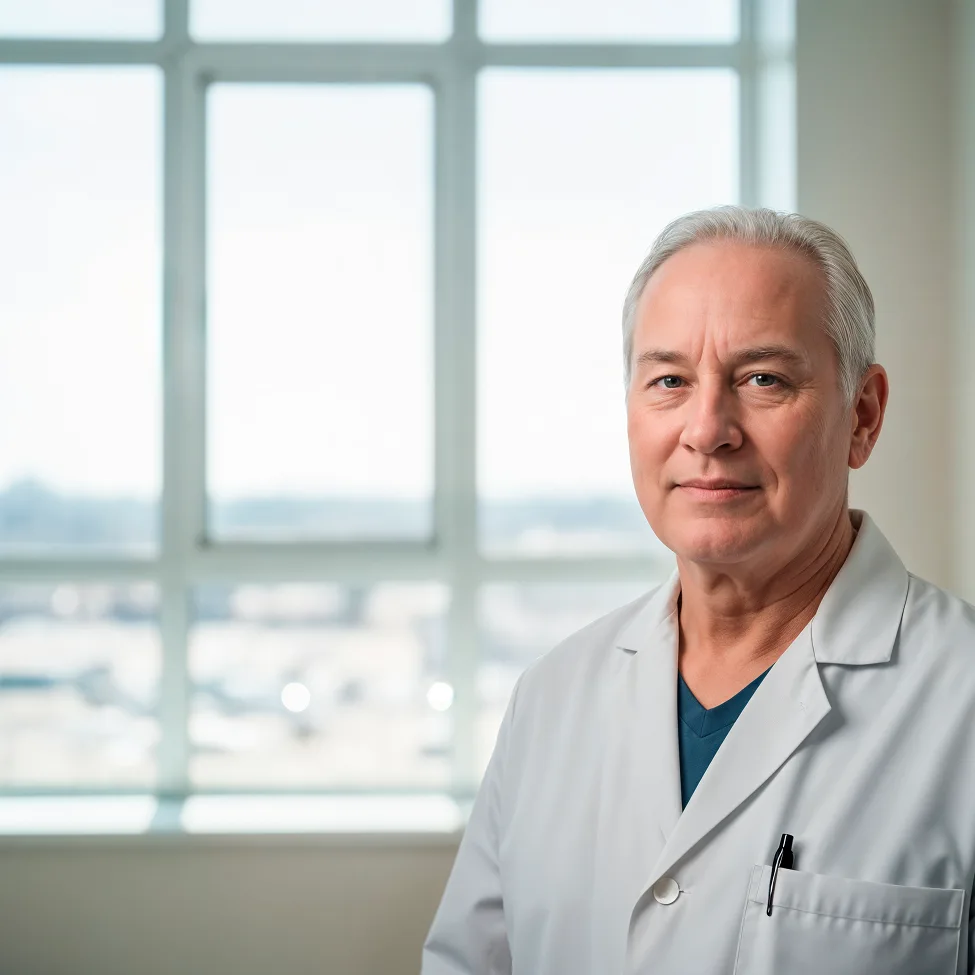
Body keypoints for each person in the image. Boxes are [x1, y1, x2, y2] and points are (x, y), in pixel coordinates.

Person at [420, 205, 975, 974]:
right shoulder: (551, 697)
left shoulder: (960, 697)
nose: (707, 427)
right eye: (669, 380)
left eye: (762, 378)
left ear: (863, 414)